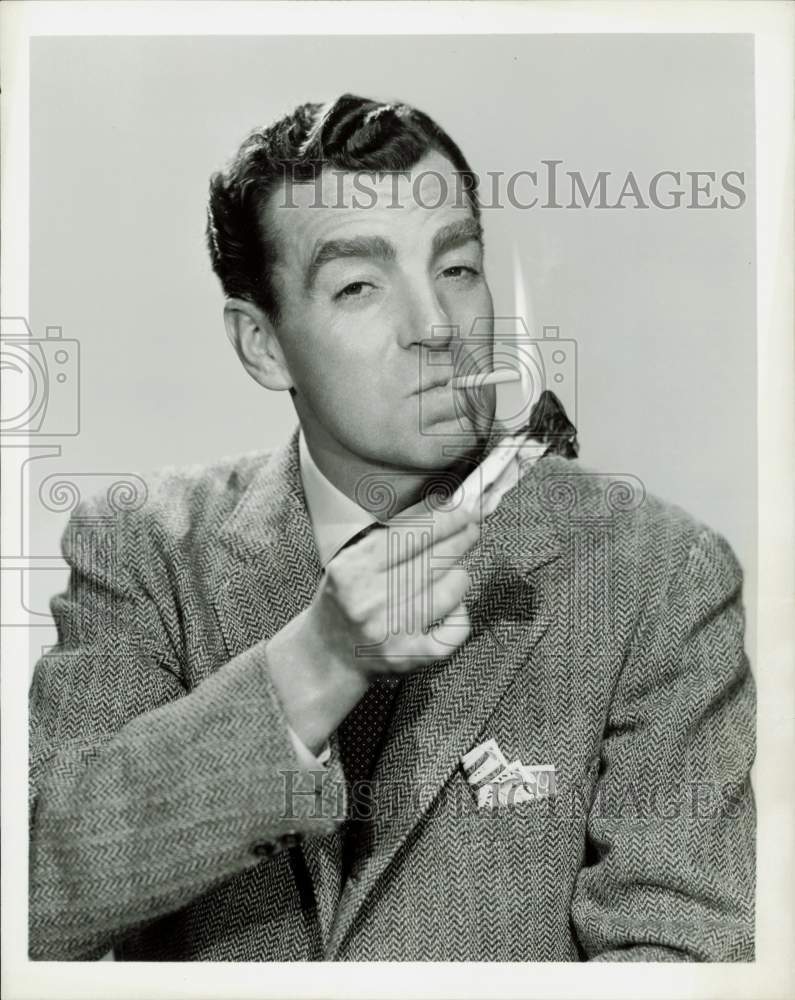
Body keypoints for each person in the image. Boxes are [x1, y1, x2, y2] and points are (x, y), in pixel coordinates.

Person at [28, 94, 755, 962]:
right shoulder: (143, 551)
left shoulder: (656, 573)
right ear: (262, 345)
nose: (438, 328)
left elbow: (679, 957)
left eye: (457, 267)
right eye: (359, 287)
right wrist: (314, 664)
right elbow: (38, 907)